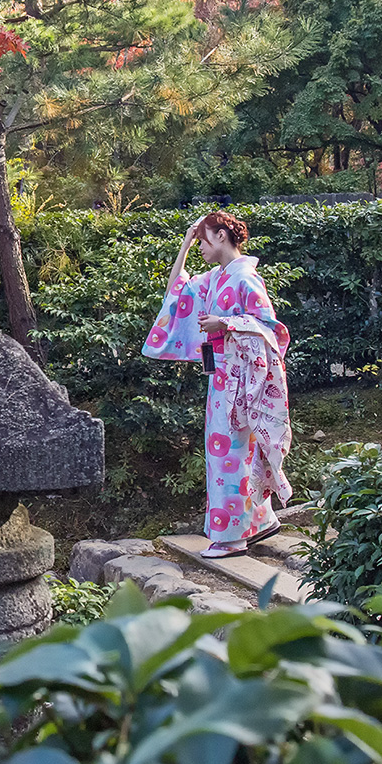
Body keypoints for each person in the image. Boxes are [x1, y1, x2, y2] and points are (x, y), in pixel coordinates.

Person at [141, 210, 293, 559]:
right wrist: (185, 241)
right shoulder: (217, 278)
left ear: (222, 235)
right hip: (224, 380)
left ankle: (231, 538)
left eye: (204, 241)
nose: (201, 249)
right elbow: (176, 292)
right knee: (231, 454)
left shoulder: (244, 278)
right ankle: (261, 520)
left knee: (229, 456)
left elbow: (270, 329)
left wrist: (225, 322)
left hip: (242, 382)